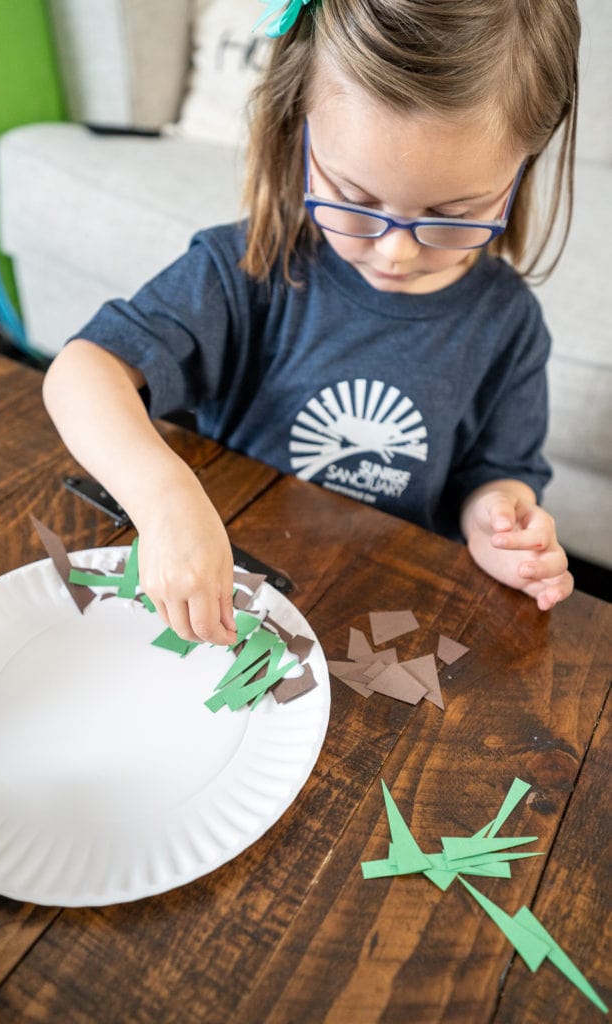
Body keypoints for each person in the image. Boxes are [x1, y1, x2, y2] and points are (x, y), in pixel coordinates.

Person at [43, 0, 578, 645]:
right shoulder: (243, 269)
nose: (396, 251)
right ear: (296, 128)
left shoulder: (510, 323)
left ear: (526, 163)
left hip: (386, 615)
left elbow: (495, 473)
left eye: (452, 213)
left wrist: (497, 520)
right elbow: (81, 373)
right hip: (229, 609)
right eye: (354, 201)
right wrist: (165, 501)